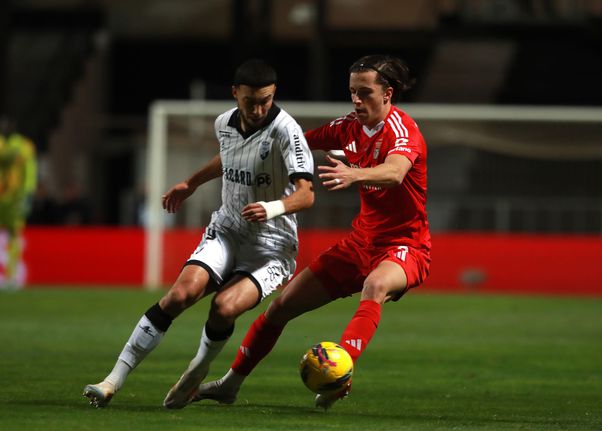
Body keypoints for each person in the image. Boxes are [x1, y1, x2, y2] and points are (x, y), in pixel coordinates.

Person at [192, 54, 431, 409]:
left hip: (405, 246)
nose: (356, 100)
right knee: (281, 307)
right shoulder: (347, 127)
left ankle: (339, 376)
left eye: (365, 92)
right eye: (352, 92)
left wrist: (353, 174)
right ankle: (230, 384)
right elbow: (283, 146)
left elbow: (395, 173)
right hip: (359, 244)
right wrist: (195, 180)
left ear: (387, 94)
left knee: (376, 286)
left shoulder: (402, 130)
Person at [83, 59, 315, 408]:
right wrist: (190, 183)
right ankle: (112, 381)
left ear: (274, 94)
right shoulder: (223, 123)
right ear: (235, 93)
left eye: (265, 100)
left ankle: (197, 370)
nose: (258, 109)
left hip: (272, 246)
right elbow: (228, 157)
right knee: (180, 295)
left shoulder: (287, 131)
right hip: (228, 229)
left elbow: (306, 194)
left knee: (224, 307)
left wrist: (271, 208)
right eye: (250, 101)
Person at [0, 117, 37, 289]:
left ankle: (11, 274)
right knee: (14, 234)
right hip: (9, 197)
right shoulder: (22, 146)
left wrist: (28, 192)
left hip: (13, 197)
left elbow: (29, 170)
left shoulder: (22, 146)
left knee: (14, 234)